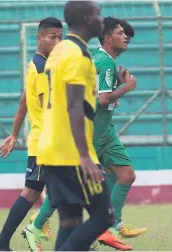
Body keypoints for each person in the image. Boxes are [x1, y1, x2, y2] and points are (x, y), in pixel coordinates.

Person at [37, 1, 115, 251]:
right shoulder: (77, 55)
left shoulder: (59, 51)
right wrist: (84, 155)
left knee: (70, 221)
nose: (102, 19)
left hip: (50, 150)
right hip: (70, 154)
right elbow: (73, 106)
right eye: (98, 14)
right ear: (86, 18)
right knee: (105, 216)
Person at [0, 17, 63, 252]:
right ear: (39, 38)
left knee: (45, 191)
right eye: (53, 36)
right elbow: (49, 106)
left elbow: (24, 100)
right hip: (47, 142)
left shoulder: (36, 64)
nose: (57, 41)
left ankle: (3, 242)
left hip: (43, 141)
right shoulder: (42, 68)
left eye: (60, 37)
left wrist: (14, 134)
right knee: (40, 191)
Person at [92, 17, 146, 250]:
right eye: (121, 33)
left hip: (104, 129)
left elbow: (101, 97)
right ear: (107, 37)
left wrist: (117, 88)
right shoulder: (104, 62)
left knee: (124, 174)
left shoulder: (105, 62)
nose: (126, 38)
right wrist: (127, 87)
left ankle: (112, 224)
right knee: (71, 187)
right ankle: (38, 223)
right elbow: (103, 100)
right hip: (92, 131)